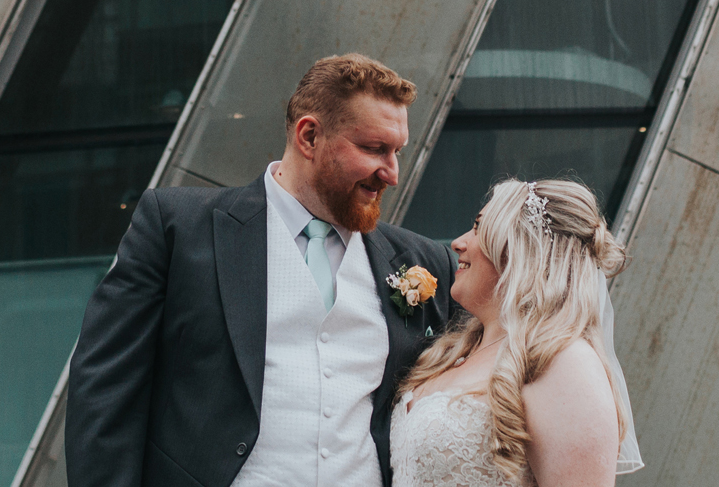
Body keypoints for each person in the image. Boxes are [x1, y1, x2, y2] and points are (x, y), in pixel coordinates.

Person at [67, 54, 458, 487]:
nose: (392, 173)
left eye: (397, 151)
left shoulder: (423, 263)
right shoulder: (178, 228)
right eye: (374, 149)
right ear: (309, 136)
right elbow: (105, 392)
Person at [390, 178, 643, 486]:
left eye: (480, 228)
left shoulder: (564, 363)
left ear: (522, 250)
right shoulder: (457, 353)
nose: (458, 242)